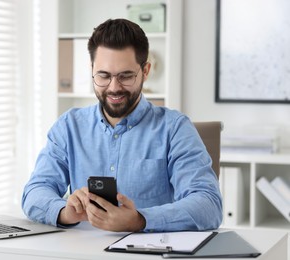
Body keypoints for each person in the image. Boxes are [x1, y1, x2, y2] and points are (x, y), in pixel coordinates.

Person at [22, 18, 222, 232]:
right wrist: (64, 212)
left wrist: (140, 220)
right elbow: (35, 191)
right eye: (104, 76)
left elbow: (209, 204)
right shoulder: (68, 127)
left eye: (126, 76)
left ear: (145, 71)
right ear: (91, 70)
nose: (114, 88)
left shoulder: (174, 128)